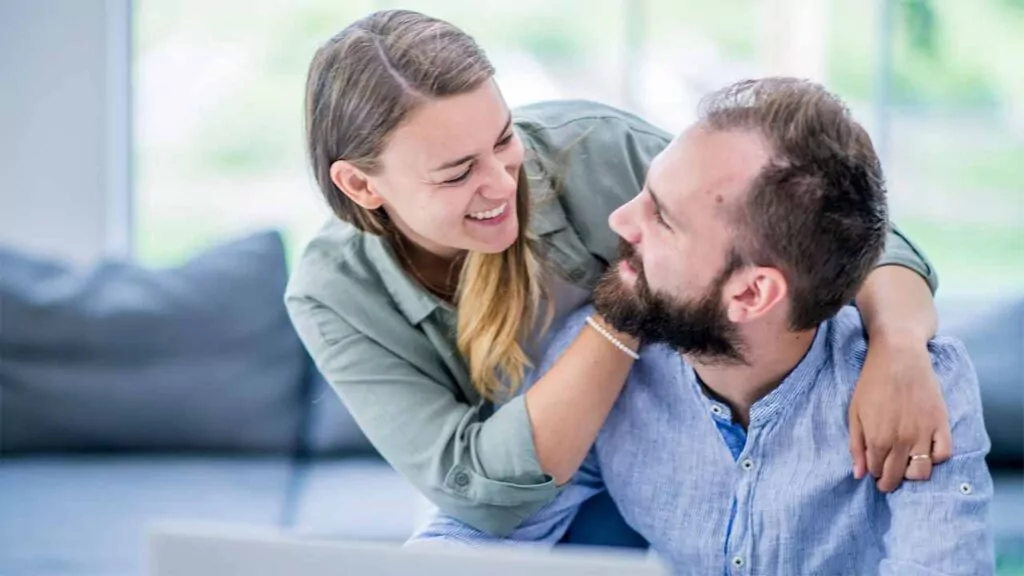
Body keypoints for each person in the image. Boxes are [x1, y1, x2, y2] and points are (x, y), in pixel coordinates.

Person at [285, 9, 952, 538]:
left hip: (675, 470)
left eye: (501, 139)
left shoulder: (591, 148)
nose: (500, 182)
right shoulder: (332, 295)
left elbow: (831, 230)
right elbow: (481, 495)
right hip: (536, 510)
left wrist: (898, 350)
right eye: (458, 172)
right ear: (360, 185)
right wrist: (620, 314)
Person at [410, 77, 995, 575]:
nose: (620, 220)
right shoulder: (604, 358)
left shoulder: (919, 395)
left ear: (752, 293)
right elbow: (482, 531)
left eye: (661, 218)